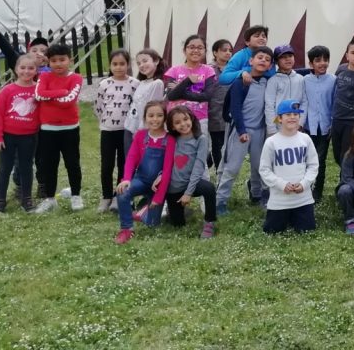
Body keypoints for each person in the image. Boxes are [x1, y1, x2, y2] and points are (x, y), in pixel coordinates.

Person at [216, 46, 273, 213]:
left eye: (267, 60)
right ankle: (220, 201)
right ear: (251, 61)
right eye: (260, 57)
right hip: (240, 130)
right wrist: (241, 131)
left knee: (259, 166)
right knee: (232, 167)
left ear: (270, 66)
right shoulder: (241, 82)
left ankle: (257, 194)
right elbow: (235, 108)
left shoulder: (268, 82)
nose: (263, 61)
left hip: (260, 131)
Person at [114, 101, 175, 244]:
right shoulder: (140, 135)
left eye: (159, 115)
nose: (155, 119)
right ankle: (126, 229)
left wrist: (158, 198)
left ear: (165, 118)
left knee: (152, 224)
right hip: (141, 180)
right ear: (145, 117)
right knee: (122, 192)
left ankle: (143, 213)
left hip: (157, 186)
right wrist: (126, 179)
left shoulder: (170, 139)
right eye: (151, 115)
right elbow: (131, 158)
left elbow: (167, 170)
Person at [33, 43, 84, 213]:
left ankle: (76, 195)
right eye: (54, 60)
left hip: (70, 128)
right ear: (48, 62)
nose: (58, 64)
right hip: (48, 129)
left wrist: (50, 97)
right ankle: (50, 198)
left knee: (72, 163)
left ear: (70, 60)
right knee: (49, 164)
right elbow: (38, 95)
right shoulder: (44, 76)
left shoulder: (76, 78)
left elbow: (68, 101)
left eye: (62, 59)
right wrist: (61, 92)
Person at [259, 99, 319, 234]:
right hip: (279, 201)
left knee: (307, 230)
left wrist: (304, 184)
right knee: (272, 231)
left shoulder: (305, 139)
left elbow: (313, 165)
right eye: (288, 114)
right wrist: (281, 184)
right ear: (279, 119)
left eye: (296, 114)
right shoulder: (271, 142)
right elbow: (264, 169)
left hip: (303, 199)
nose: (292, 117)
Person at [0, 53, 39, 212]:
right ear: (16, 69)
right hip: (8, 136)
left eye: (31, 68)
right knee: (4, 169)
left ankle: (27, 199)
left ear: (36, 70)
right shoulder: (7, 91)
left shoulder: (39, 90)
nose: (26, 71)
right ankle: (0, 201)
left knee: (26, 168)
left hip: (29, 137)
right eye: (22, 67)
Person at [93, 49, 137, 213]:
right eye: (115, 64)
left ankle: (120, 196)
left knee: (124, 164)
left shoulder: (134, 84)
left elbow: (136, 106)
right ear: (110, 65)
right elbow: (98, 106)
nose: (118, 67)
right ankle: (106, 196)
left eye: (122, 64)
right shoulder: (104, 84)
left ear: (128, 65)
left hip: (126, 131)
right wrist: (105, 121)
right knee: (107, 164)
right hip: (108, 130)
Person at [164, 106, 217, 239]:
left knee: (209, 188)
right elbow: (165, 161)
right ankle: (177, 210)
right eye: (177, 122)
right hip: (175, 187)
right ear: (172, 126)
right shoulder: (171, 139)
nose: (183, 124)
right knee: (177, 225)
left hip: (192, 183)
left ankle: (209, 222)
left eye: (185, 119)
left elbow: (198, 167)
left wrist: (188, 193)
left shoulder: (201, 139)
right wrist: (160, 175)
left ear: (191, 118)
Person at [164, 35, 217, 134]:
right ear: (184, 50)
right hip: (175, 120)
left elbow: (207, 96)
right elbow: (171, 96)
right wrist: (187, 81)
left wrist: (179, 89)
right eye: (192, 47)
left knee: (200, 143)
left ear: (205, 51)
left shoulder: (208, 70)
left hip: (199, 119)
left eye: (200, 48)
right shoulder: (174, 70)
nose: (196, 50)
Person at [302, 45, 335, 202]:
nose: (322, 63)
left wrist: (333, 124)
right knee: (306, 159)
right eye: (318, 60)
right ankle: (305, 186)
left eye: (325, 60)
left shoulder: (333, 80)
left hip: (325, 127)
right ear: (311, 64)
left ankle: (318, 191)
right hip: (308, 127)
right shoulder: (304, 81)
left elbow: (335, 103)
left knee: (320, 160)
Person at [125, 49, 166, 156]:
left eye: (145, 61)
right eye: (139, 63)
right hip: (130, 127)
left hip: (142, 131)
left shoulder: (157, 83)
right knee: (129, 161)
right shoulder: (142, 83)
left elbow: (151, 110)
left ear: (156, 61)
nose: (141, 65)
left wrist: (140, 132)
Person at [265, 45, 307, 135]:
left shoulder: (300, 79)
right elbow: (269, 106)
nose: (288, 59)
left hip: (296, 125)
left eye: (290, 56)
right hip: (278, 127)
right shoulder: (273, 81)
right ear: (276, 61)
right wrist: (272, 129)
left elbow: (304, 102)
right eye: (283, 57)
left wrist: (300, 123)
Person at [208, 38, 234, 169]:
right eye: (224, 50)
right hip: (214, 113)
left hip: (231, 113)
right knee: (217, 145)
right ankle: (219, 171)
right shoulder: (208, 69)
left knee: (230, 145)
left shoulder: (234, 68)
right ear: (215, 52)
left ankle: (227, 171)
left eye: (230, 50)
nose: (228, 53)